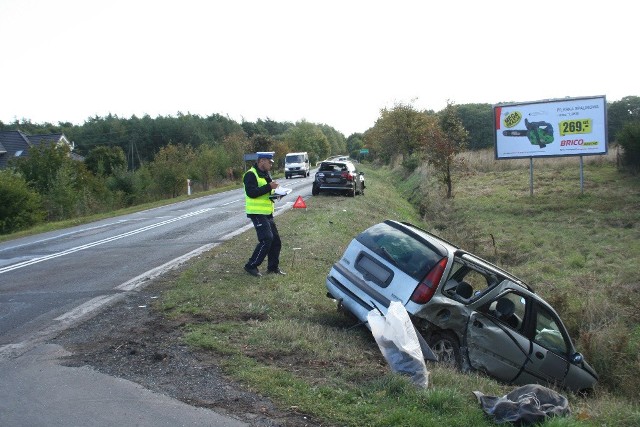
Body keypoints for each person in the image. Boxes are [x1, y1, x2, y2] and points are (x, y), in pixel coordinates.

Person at [243, 152, 286, 277]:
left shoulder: (265, 174)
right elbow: (251, 193)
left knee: (276, 241)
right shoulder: (250, 174)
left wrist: (277, 194)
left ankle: (273, 267)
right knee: (266, 239)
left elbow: (268, 191)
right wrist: (269, 187)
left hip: (267, 212)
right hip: (256, 213)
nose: (271, 165)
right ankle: (251, 265)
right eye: (269, 162)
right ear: (261, 161)